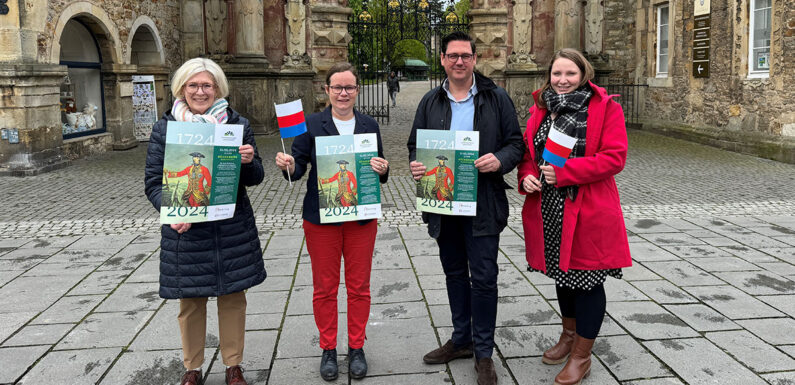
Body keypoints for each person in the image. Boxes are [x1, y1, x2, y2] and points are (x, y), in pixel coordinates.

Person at [407, 31, 525, 385]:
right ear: (442, 59)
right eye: (453, 55)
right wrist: (416, 164)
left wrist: (500, 160)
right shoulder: (430, 101)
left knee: (485, 278)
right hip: (443, 204)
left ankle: (484, 353)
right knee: (455, 273)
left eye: (466, 55)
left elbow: (516, 144)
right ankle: (461, 340)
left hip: (484, 202)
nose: (459, 61)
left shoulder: (495, 97)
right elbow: (415, 144)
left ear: (475, 59)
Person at [144, 57, 265, 385]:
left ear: (218, 89)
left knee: (232, 298)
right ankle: (192, 367)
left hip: (231, 227)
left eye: (207, 85)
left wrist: (250, 161)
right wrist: (170, 213)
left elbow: (256, 177)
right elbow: (155, 182)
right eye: (194, 85)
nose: (200, 91)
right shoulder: (166, 128)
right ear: (182, 89)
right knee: (191, 300)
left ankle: (233, 365)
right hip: (186, 229)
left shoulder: (236, 125)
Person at [517, 48, 632, 385]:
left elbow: (615, 158)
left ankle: (581, 356)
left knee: (587, 281)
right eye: (557, 74)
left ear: (584, 75)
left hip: (589, 208)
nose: (563, 80)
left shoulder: (605, 108)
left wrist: (565, 172)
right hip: (549, 207)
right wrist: (526, 176)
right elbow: (529, 153)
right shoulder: (541, 109)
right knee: (561, 275)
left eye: (570, 74)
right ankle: (568, 336)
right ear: (549, 77)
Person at [275, 62, 389, 381]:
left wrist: (384, 170)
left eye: (349, 87)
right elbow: (297, 170)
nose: (342, 93)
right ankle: (328, 348)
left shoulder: (369, 125)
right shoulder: (310, 124)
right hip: (321, 219)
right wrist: (288, 164)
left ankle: (355, 347)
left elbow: (377, 170)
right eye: (336, 87)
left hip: (361, 219)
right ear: (326, 90)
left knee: (359, 287)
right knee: (325, 288)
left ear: (357, 90)